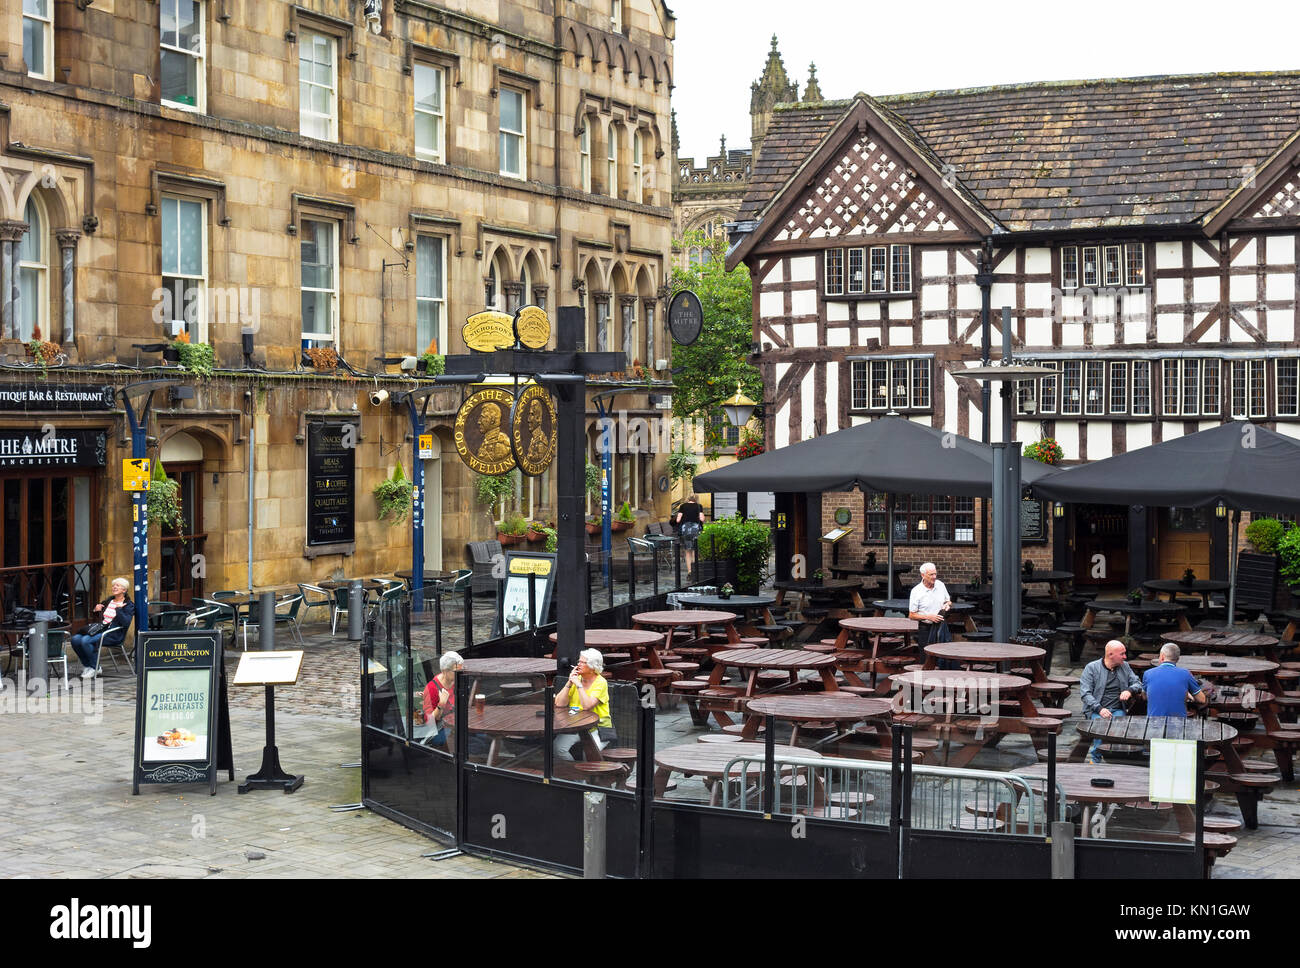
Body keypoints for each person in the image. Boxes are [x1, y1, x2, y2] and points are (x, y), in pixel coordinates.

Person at [1079, 639, 1144, 763]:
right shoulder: (1092, 668)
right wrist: (1100, 709)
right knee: (1101, 725)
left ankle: (1116, 759)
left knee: (1120, 726)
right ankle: (1095, 759)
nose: (1125, 657)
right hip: (1097, 709)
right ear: (1110, 655)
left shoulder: (1125, 666)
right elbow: (1085, 693)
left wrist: (1129, 690)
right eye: (1122, 654)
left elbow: (1138, 683)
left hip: (1118, 709)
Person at [552, 648, 616, 761]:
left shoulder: (600, 682)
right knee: (558, 748)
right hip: (576, 725)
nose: (578, 665)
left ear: (592, 667)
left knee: (589, 753)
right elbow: (559, 703)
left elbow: (587, 706)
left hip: (597, 728)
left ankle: (585, 778)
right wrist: (569, 682)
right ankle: (576, 777)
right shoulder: (577, 679)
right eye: (579, 662)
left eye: (583, 662)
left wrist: (578, 685)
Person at [70, 577, 135, 679]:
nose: (114, 587)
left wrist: (119, 609)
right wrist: (96, 610)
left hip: (113, 634)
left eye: (117, 585)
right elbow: (99, 617)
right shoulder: (109, 600)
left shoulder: (128, 605)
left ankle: (95, 667)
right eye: (114, 585)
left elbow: (125, 623)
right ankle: (88, 665)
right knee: (75, 639)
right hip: (100, 629)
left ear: (124, 590)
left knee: (85, 641)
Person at [1142, 643, 1207, 717]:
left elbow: (1144, 696)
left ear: (1162, 657)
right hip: (1179, 724)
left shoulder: (1148, 673)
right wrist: (1186, 693)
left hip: (1154, 723)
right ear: (1178, 659)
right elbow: (1202, 699)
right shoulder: (1185, 674)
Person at [422, 651, 463, 747]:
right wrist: (441, 703)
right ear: (445, 671)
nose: (460, 674)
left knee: (483, 739)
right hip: (440, 730)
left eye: (461, 670)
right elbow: (429, 721)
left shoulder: (458, 682)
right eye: (456, 671)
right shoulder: (432, 688)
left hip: (456, 724)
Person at [908, 562, 953, 650]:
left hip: (941, 626)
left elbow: (948, 601)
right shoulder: (916, 591)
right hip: (926, 629)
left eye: (935, 574)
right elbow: (911, 615)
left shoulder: (940, 585)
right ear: (923, 575)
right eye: (931, 574)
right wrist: (928, 617)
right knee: (926, 659)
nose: (934, 577)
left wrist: (947, 604)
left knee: (944, 656)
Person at [674, 494, 705, 574]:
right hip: (695, 530)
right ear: (696, 499)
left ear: (688, 498)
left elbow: (678, 520)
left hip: (686, 530)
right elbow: (702, 518)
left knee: (688, 551)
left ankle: (689, 571)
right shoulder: (699, 506)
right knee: (695, 550)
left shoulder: (683, 506)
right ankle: (695, 570)